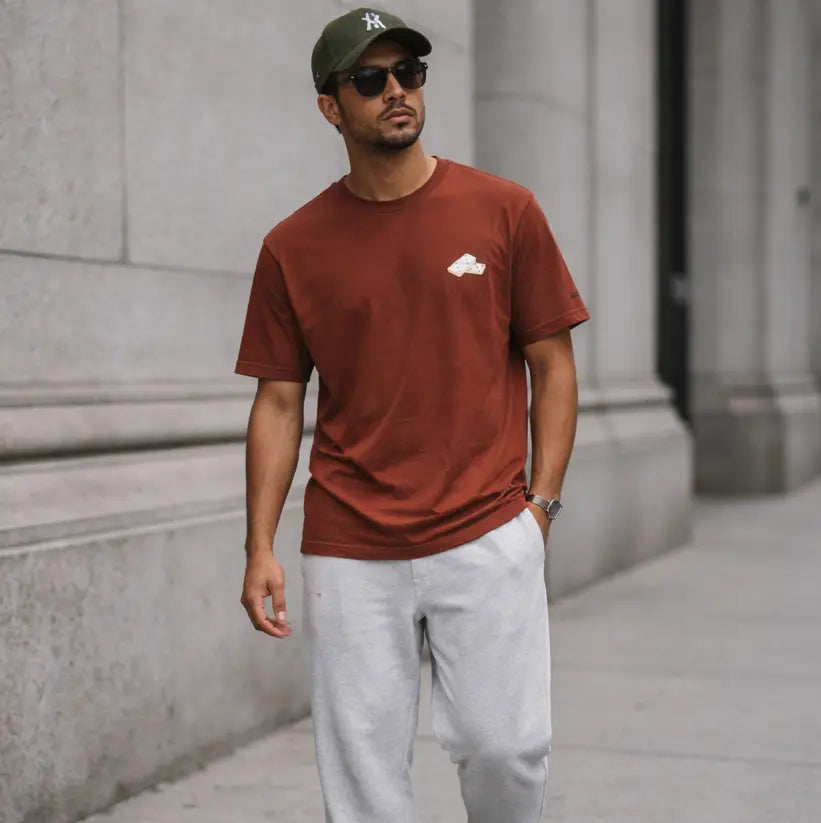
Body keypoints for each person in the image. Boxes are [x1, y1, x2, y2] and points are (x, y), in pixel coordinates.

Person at [235, 7, 590, 822]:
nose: (396, 91)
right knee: (362, 777)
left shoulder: (503, 210)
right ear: (331, 107)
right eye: (370, 79)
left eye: (409, 73)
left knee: (505, 748)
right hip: (349, 546)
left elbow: (552, 365)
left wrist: (539, 507)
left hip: (486, 528)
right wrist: (258, 545)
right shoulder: (293, 246)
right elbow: (278, 402)